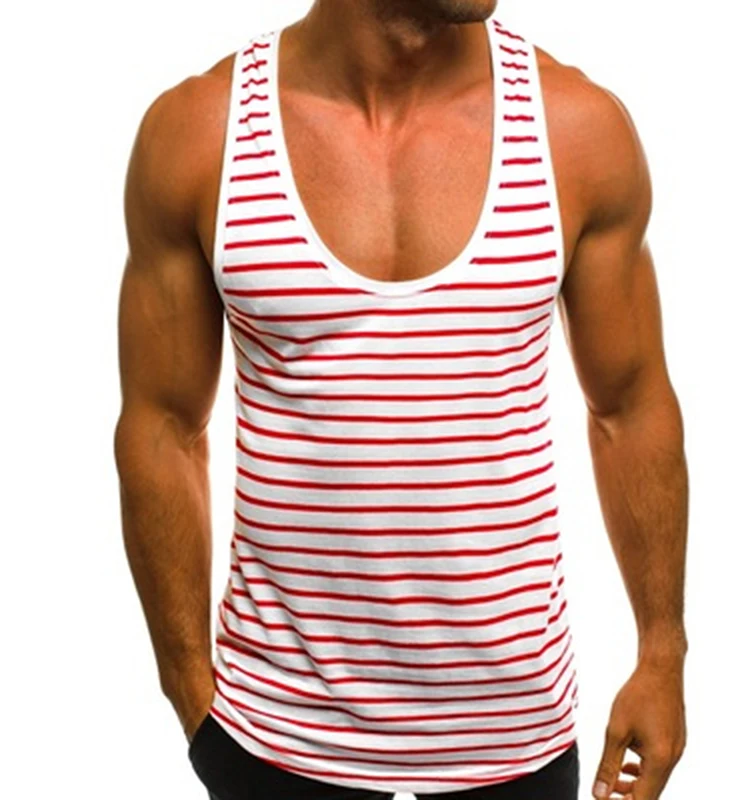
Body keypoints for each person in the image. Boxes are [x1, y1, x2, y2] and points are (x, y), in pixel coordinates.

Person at [114, 1, 688, 798]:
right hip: (275, 735)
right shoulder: (201, 135)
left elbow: (630, 406)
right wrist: (193, 700)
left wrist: (662, 654)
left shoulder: (577, 130)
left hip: (514, 737)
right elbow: (163, 428)